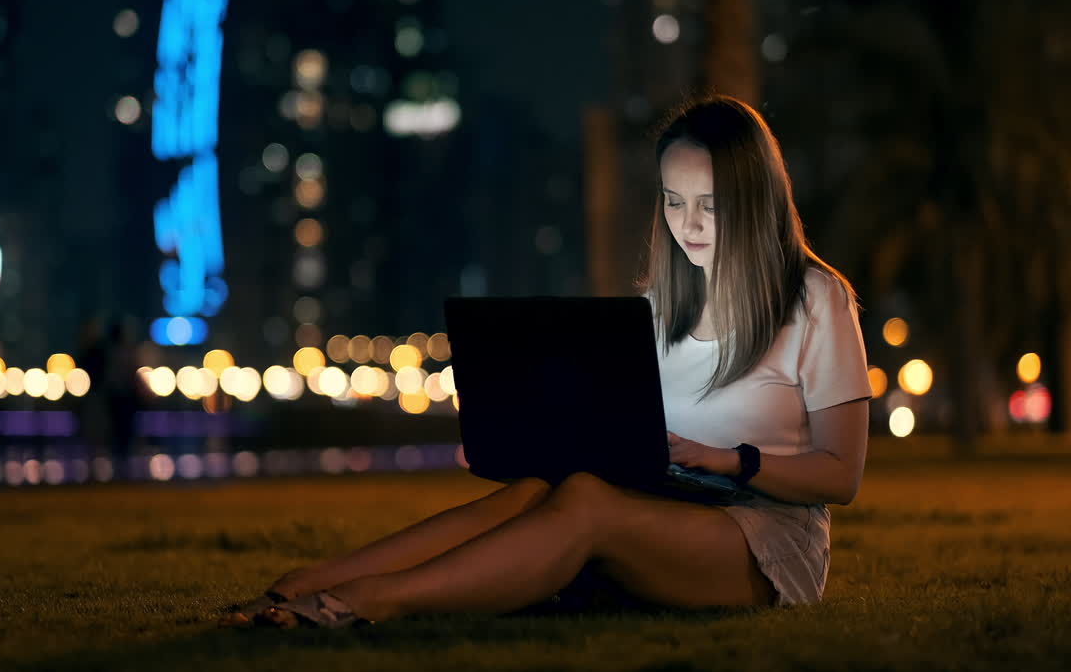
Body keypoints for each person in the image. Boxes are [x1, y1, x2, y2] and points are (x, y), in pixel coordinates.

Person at [219, 93, 873, 629]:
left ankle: (367, 604)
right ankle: (301, 586)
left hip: (765, 535)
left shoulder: (815, 298)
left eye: (711, 204)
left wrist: (729, 460)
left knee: (586, 500)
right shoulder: (661, 306)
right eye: (674, 202)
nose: (689, 224)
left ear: (754, 198)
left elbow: (841, 475)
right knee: (537, 488)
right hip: (664, 502)